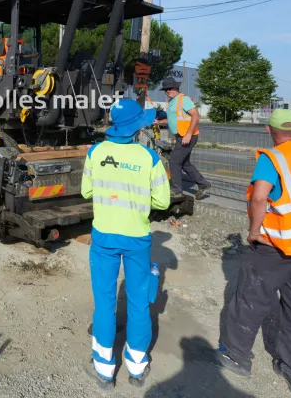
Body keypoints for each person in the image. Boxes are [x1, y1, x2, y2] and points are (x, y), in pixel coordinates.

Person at [216, 109, 291, 398]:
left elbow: (260, 197)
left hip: (277, 247)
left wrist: (254, 231)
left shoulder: (273, 159)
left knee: (250, 299)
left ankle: (236, 356)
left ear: (270, 131)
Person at [81, 99, 171, 389]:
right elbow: (163, 201)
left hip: (103, 237)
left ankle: (105, 370)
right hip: (136, 239)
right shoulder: (149, 158)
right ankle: (136, 367)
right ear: (137, 127)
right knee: (138, 304)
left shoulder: (95, 152)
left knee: (105, 303)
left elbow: (86, 192)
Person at [156, 77, 210, 201]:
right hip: (181, 136)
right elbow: (172, 120)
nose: (167, 91)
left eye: (169, 89)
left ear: (176, 88)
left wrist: (188, 134)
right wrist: (158, 122)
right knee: (184, 163)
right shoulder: (171, 102)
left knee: (174, 161)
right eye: (165, 90)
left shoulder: (183, 99)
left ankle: (176, 190)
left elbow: (196, 116)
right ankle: (203, 184)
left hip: (187, 136)